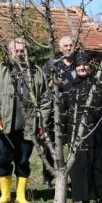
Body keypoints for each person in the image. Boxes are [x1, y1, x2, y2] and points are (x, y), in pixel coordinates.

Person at [0, 38, 52, 203]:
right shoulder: (1, 70)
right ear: (10, 52)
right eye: (17, 51)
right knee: (3, 159)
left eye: (23, 50)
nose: (20, 53)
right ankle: (5, 194)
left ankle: (21, 195)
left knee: (23, 161)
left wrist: (41, 123)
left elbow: (45, 101)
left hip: (28, 127)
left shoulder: (37, 72)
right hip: (4, 126)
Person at [62, 52, 102, 203]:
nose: (82, 67)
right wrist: (63, 135)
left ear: (91, 66)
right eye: (79, 65)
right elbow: (63, 112)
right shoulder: (69, 88)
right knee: (81, 167)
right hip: (78, 135)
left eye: (85, 64)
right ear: (75, 67)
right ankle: (84, 198)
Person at [41, 36, 77, 187]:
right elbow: (43, 85)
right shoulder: (52, 63)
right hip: (56, 110)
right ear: (60, 48)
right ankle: (48, 176)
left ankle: (72, 176)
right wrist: (53, 83)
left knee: (73, 145)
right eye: (66, 46)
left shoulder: (78, 63)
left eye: (71, 45)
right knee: (52, 144)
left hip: (74, 109)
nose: (68, 48)